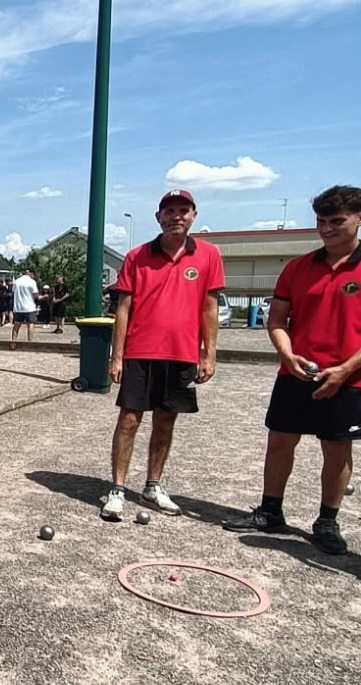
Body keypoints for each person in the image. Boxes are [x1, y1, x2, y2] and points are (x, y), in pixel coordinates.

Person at [222, 185, 361, 554]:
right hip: (296, 371)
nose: (327, 228)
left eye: (337, 221)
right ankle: (270, 511)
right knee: (280, 441)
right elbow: (277, 320)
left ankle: (327, 521)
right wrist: (288, 355)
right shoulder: (298, 268)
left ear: (358, 219)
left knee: (336, 447)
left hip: (350, 376)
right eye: (321, 221)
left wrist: (345, 370)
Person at [99, 189, 225, 522]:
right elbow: (123, 308)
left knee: (166, 420)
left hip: (182, 353)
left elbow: (209, 308)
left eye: (183, 210)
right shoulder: (137, 256)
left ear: (194, 215)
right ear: (159, 217)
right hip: (140, 351)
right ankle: (117, 489)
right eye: (169, 211)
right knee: (129, 420)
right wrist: (116, 356)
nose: (176, 216)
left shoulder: (209, 255)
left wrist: (209, 354)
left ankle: (152, 486)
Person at [10, 269, 39, 348]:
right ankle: (30, 343)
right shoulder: (32, 282)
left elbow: (13, 292)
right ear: (31, 274)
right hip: (29, 307)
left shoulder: (16, 281)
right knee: (30, 325)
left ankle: (13, 343)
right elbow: (35, 294)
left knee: (16, 325)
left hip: (18, 307)